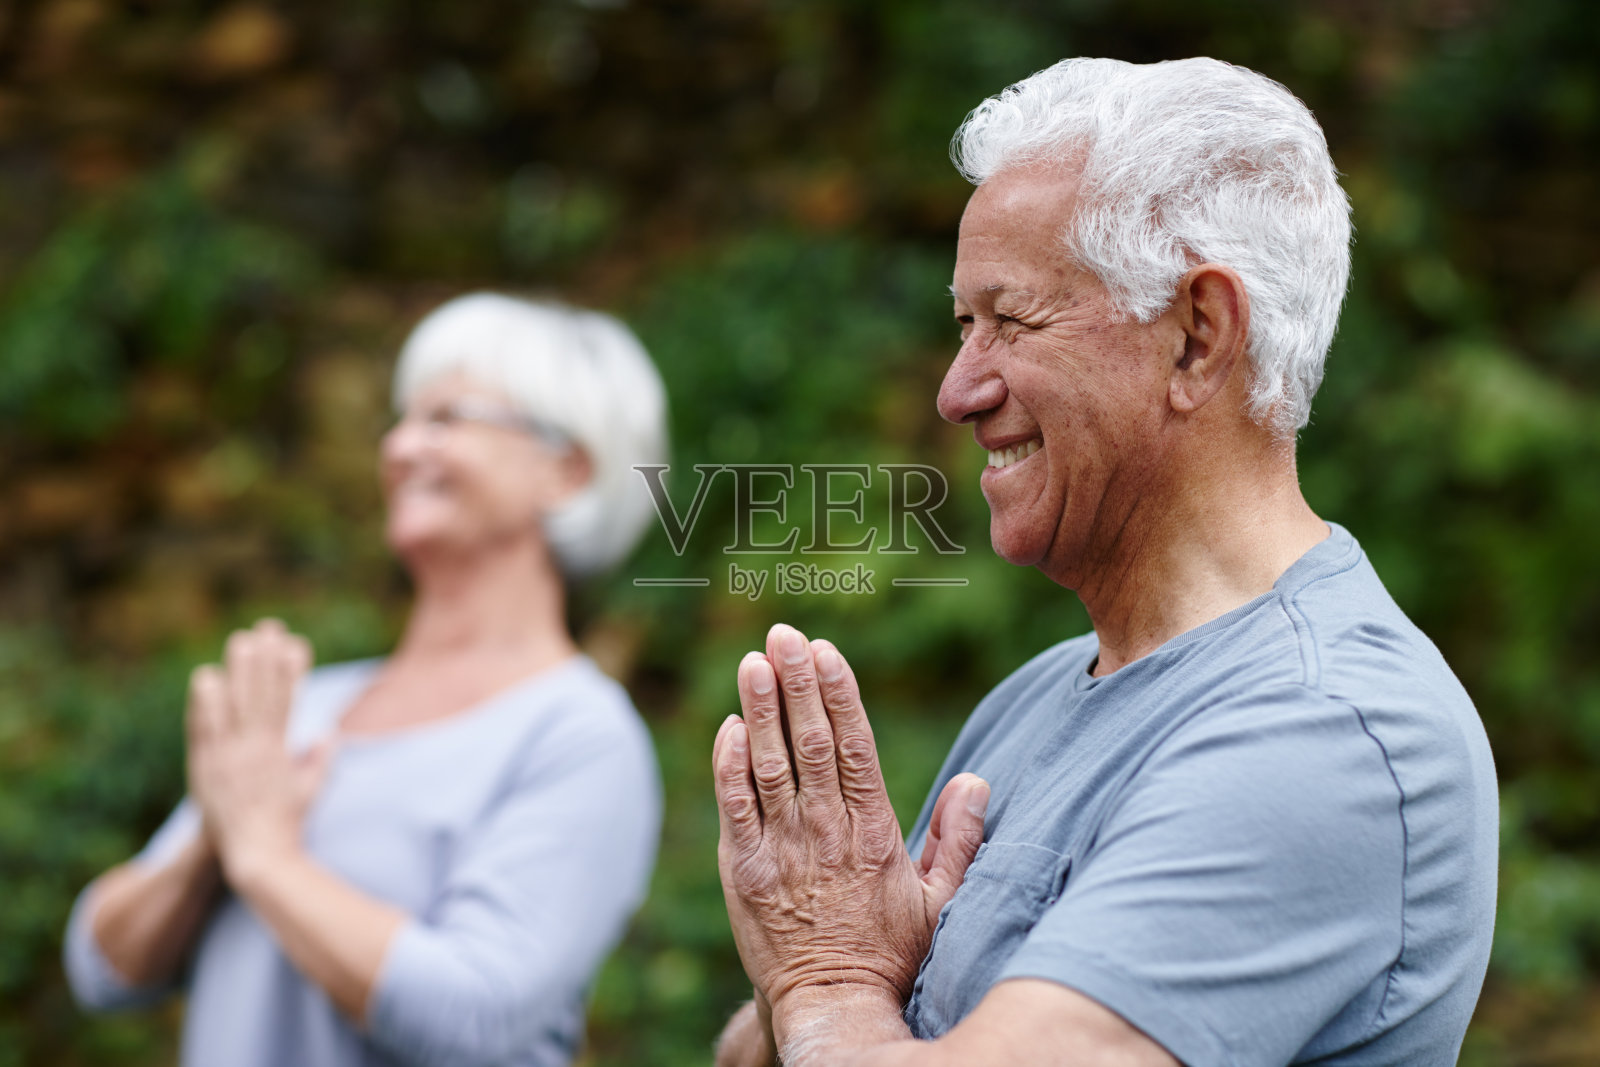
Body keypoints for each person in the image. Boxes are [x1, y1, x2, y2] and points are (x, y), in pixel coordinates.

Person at [711, 57, 1498, 1067]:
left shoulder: (1328, 731)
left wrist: (826, 982)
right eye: (963, 324)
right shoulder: (1035, 695)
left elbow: (837, 1004)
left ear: (1196, 337)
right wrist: (837, 980)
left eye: (1012, 319)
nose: (956, 391)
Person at [64, 293, 668, 1067]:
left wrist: (266, 856)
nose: (400, 447)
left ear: (567, 469)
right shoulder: (301, 708)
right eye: (402, 420)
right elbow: (100, 969)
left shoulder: (580, 735)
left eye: (446, 417)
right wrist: (208, 843)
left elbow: (475, 1015)